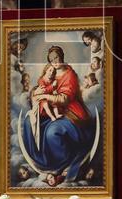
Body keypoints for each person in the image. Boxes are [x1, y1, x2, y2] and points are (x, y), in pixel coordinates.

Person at [20, 46, 95, 186]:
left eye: (56, 58)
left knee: (52, 132)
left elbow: (64, 99)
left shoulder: (69, 74)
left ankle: (61, 162)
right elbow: (41, 87)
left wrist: (43, 95)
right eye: (51, 59)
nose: (54, 61)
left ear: (61, 56)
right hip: (54, 112)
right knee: (28, 122)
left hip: (71, 114)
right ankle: (42, 160)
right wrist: (37, 93)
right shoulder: (51, 73)